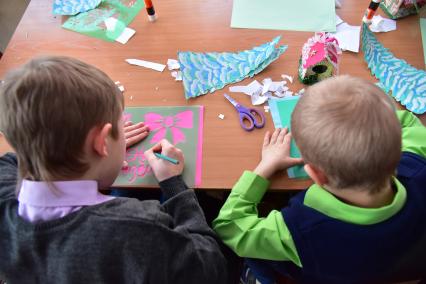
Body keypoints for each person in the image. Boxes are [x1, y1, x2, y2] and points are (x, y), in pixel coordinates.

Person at [0, 56, 228, 283]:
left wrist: (81, 151)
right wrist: (174, 186)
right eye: (120, 125)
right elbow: (210, 267)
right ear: (101, 143)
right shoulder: (136, 229)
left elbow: (9, 161)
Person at [213, 75, 426, 283]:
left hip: (326, 272)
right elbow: (408, 123)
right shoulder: (418, 164)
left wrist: (266, 166)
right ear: (397, 145)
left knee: (258, 257)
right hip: (402, 267)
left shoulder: (300, 229)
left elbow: (229, 226)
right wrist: (367, 118)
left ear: (316, 174)